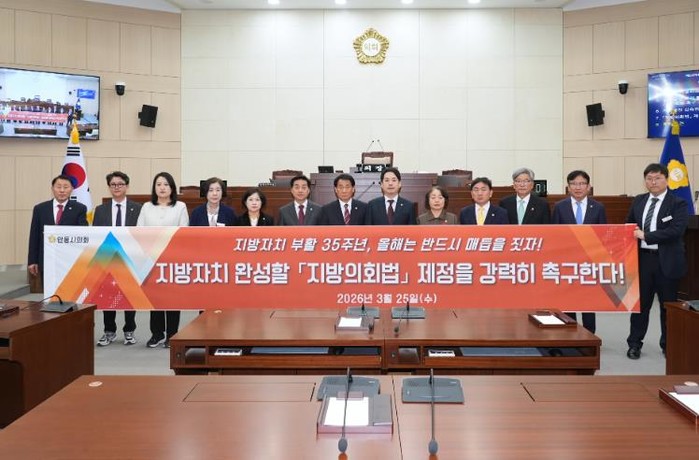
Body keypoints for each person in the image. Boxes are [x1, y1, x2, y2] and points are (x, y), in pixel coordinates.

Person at [625, 163, 688, 360]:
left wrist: (646, 236)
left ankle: (668, 345)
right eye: (649, 179)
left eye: (658, 178)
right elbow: (629, 224)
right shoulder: (639, 200)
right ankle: (634, 344)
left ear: (666, 179)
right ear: (645, 181)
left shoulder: (678, 203)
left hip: (667, 261)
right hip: (642, 260)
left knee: (667, 306)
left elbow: (676, 231)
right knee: (640, 306)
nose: (653, 182)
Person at [137, 172, 189, 348]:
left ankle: (172, 334)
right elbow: (139, 231)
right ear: (154, 188)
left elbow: (183, 232)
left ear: (172, 187)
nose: (162, 188)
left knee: (173, 299)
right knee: (155, 298)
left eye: (166, 184)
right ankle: (157, 334)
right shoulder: (146, 207)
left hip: (173, 259)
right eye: (158, 184)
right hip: (151, 259)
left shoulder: (180, 206)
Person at [552, 170, 607, 333]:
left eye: (582, 183)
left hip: (589, 263)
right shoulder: (560, 207)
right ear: (568, 187)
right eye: (574, 184)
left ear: (589, 187)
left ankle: (590, 336)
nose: (578, 187)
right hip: (567, 263)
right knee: (568, 302)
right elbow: (554, 235)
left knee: (588, 302)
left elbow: (604, 236)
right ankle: (570, 335)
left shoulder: (598, 207)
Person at [93, 171, 142, 346]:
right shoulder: (101, 210)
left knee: (129, 297)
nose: (117, 187)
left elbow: (141, 234)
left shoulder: (138, 208)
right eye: (113, 184)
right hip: (107, 258)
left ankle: (129, 330)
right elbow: (96, 235)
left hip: (130, 258)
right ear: (109, 187)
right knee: (107, 296)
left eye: (120, 184)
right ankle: (109, 331)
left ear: (127, 186)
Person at [28, 175, 88, 280]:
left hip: (70, 260)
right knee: (48, 289)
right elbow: (34, 236)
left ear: (72, 189)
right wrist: (32, 260)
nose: (62, 190)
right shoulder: (40, 209)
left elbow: (82, 234)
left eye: (66, 187)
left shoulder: (79, 209)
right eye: (58, 187)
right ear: (52, 189)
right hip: (46, 260)